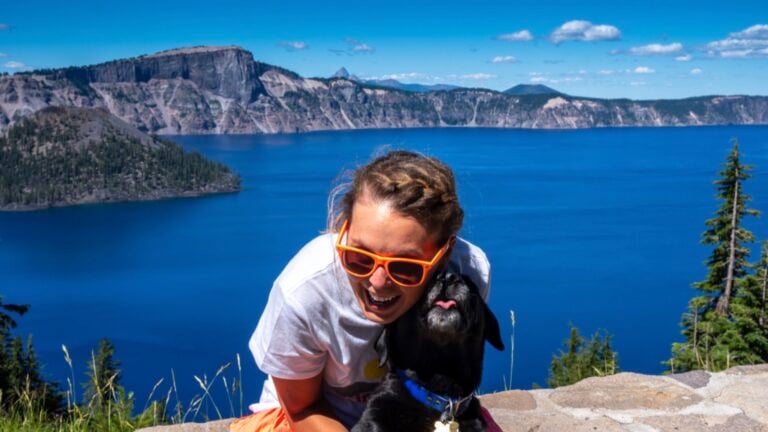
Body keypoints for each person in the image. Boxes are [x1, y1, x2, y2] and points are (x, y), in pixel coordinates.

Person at [231, 150, 498, 431]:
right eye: (359, 257)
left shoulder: (467, 273)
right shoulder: (305, 291)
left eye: (405, 267)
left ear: (445, 254)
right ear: (344, 231)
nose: (377, 282)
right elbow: (301, 408)